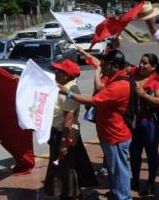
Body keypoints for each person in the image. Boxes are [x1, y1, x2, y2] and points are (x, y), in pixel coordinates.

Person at [58, 51, 132, 200]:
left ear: (114, 66)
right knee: (113, 169)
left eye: (104, 66)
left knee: (119, 171)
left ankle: (124, 197)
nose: (102, 68)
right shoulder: (114, 79)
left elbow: (93, 100)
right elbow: (99, 88)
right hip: (109, 134)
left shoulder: (119, 85)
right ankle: (115, 193)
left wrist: (69, 94)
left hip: (115, 136)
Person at [44, 59, 97, 200]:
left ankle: (72, 195)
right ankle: (67, 194)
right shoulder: (61, 86)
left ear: (67, 75)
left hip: (66, 134)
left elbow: (68, 118)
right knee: (62, 166)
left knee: (67, 167)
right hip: (58, 132)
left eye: (59, 71)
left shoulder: (70, 90)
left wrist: (63, 143)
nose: (55, 73)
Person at [130, 53, 159, 195]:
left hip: (150, 123)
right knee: (134, 153)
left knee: (151, 154)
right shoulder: (134, 73)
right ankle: (136, 180)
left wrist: (144, 95)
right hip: (134, 122)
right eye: (140, 62)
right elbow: (122, 65)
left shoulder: (157, 81)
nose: (141, 65)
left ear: (153, 67)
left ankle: (151, 182)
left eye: (145, 63)